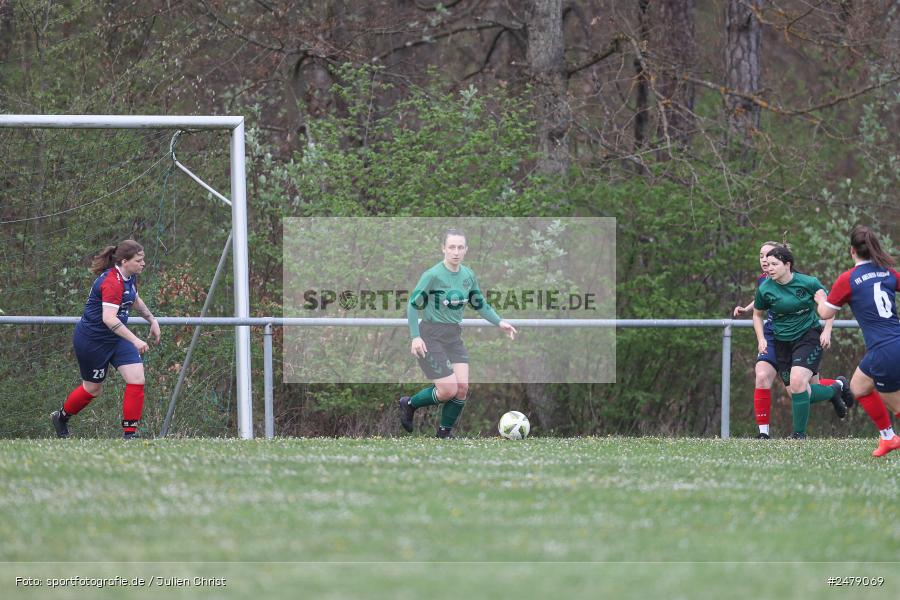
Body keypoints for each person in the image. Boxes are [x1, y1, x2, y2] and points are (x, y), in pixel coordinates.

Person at [398, 229, 517, 438]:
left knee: (462, 387)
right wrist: (415, 336)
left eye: (460, 247)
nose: (456, 251)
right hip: (430, 335)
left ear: (466, 250)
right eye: (451, 247)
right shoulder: (432, 275)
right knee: (447, 391)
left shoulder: (468, 275)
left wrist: (499, 322)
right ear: (443, 248)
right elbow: (412, 305)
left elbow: (480, 303)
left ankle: (444, 434)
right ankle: (409, 403)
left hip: (453, 336)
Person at [734, 242, 852, 438]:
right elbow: (758, 314)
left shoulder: (808, 283)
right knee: (797, 392)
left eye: (773, 263)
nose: (768, 267)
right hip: (781, 342)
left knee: (798, 382)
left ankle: (799, 436)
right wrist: (761, 338)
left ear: (787, 264)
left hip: (808, 336)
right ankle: (835, 389)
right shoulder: (765, 288)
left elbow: (828, 306)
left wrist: (827, 331)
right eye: (766, 262)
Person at [51, 240, 160, 439]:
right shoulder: (111, 281)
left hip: (116, 339)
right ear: (125, 261)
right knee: (93, 389)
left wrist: (152, 319)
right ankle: (61, 417)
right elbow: (109, 319)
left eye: (143, 259)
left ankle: (130, 435)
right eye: (139, 260)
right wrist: (136, 340)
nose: (143, 263)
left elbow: (134, 299)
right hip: (93, 341)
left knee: (137, 378)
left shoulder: (129, 277)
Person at [816, 225, 900, 457]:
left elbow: (824, 313)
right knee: (859, 387)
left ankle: (890, 437)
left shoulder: (848, 279)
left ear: (852, 250)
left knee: (897, 406)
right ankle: (888, 437)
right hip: (891, 344)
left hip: (884, 350)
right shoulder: (889, 273)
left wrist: (820, 297)